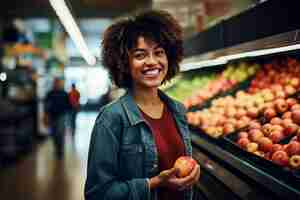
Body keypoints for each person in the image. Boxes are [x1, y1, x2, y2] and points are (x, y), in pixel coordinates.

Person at [84, 10, 200, 200]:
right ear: (124, 63)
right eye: (140, 55)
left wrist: (191, 174)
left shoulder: (177, 110)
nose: (152, 62)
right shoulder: (111, 118)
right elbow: (98, 193)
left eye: (159, 53)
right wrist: (154, 183)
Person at [45, 78, 71, 158]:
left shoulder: (64, 93)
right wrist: (46, 115)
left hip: (61, 116)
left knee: (60, 133)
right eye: (56, 83)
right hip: (52, 116)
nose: (57, 84)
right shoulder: (50, 93)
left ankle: (60, 150)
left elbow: (68, 104)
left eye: (58, 83)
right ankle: (57, 149)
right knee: (54, 134)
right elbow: (46, 105)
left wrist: (67, 113)